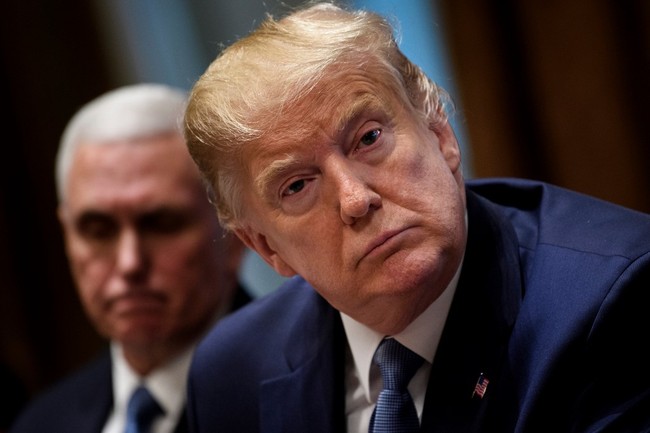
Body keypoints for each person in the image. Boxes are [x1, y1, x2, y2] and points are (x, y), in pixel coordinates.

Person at [182, 3, 650, 433]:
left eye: (368, 139)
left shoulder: (613, 303)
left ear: (439, 132)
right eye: (298, 186)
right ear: (265, 247)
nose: (354, 200)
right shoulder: (230, 374)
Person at [10, 84, 250, 433]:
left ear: (234, 233)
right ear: (67, 236)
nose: (129, 263)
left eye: (161, 224)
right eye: (98, 230)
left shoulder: (303, 388)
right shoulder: (42, 422)